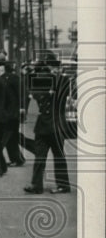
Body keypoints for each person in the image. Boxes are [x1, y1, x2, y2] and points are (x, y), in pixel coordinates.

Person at [23, 59, 71, 194]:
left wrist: (56, 80)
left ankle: (63, 185)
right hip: (43, 124)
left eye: (54, 69)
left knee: (59, 156)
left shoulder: (63, 81)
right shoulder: (42, 80)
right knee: (39, 156)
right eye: (49, 69)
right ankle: (36, 185)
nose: (51, 71)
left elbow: (62, 94)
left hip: (56, 125)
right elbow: (35, 94)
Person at [0, 61, 26, 167]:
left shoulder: (13, 78)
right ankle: (17, 159)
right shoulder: (8, 78)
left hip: (13, 112)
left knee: (6, 136)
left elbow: (21, 93)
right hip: (9, 112)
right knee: (12, 137)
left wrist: (22, 107)